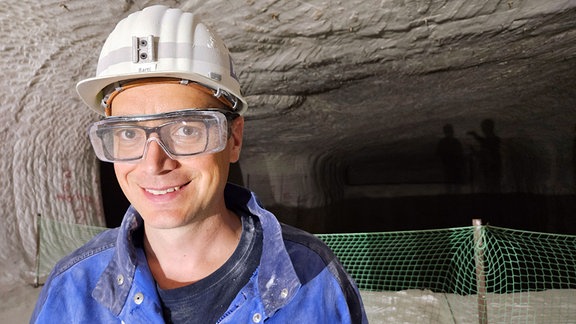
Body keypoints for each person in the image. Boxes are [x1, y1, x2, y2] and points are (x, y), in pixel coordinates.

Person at [31, 5, 367, 324]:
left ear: (233, 138)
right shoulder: (72, 291)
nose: (154, 163)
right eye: (129, 132)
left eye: (186, 129)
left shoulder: (315, 281)